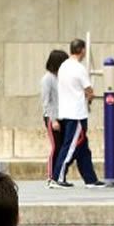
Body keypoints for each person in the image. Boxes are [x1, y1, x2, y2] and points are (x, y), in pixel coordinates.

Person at [51, 38, 103, 189]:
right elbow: (89, 90)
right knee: (70, 147)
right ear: (82, 50)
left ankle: (90, 179)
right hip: (77, 114)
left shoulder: (63, 67)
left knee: (83, 149)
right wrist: (91, 97)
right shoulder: (79, 68)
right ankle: (57, 178)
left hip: (66, 112)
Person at [41, 49, 69, 184]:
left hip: (64, 116)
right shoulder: (47, 79)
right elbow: (46, 101)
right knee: (56, 147)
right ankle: (51, 176)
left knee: (64, 147)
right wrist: (53, 120)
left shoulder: (61, 77)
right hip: (53, 117)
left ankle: (60, 176)